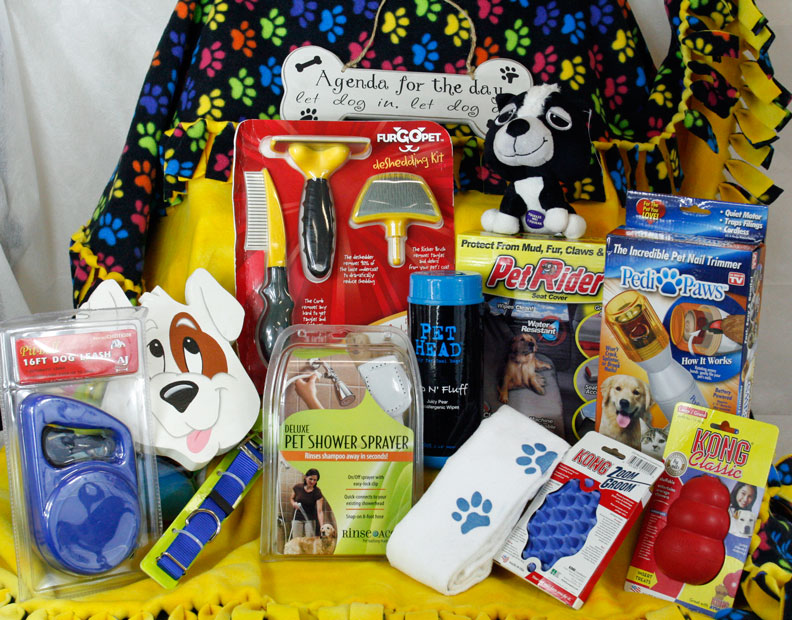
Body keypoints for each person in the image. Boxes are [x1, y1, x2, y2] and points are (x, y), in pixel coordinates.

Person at [290, 468, 324, 538]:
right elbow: (291, 498)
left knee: (309, 541)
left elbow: (320, 511)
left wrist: (322, 526)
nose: (312, 481)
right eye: (310, 479)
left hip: (310, 519)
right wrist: (293, 503)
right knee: (296, 540)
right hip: (297, 518)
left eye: (315, 480)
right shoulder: (297, 487)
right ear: (305, 477)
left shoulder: (317, 492)